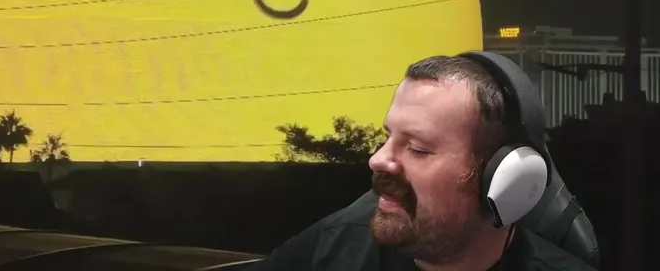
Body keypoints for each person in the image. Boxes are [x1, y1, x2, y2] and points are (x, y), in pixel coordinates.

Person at [249, 54, 595, 270]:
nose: (378, 160)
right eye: (388, 137)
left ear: (503, 179)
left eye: (416, 148)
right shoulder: (336, 246)